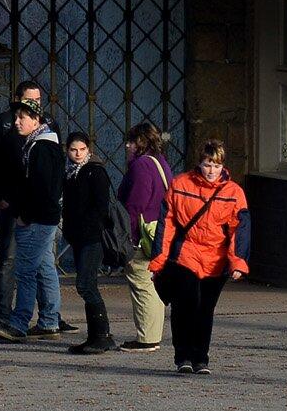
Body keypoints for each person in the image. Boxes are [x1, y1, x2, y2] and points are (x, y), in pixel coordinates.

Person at [152, 140, 249, 375]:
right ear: (200, 163)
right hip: (187, 253)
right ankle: (183, 356)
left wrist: (238, 261)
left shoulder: (234, 193)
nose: (212, 171)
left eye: (216, 165)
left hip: (216, 258)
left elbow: (240, 228)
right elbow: (167, 225)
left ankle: (200, 358)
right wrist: (159, 259)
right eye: (208, 165)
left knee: (205, 309)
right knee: (185, 304)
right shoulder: (181, 184)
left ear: (222, 166)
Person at [0, 99, 65, 343]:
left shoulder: (40, 148)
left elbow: (40, 187)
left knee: (25, 270)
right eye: (16, 117)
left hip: (38, 219)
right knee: (44, 267)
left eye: (22, 117)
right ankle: (49, 321)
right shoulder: (42, 145)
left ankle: (20, 322)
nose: (16, 122)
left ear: (36, 120)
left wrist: (26, 215)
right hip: (45, 216)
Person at [0, 80, 43, 329]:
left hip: (33, 203)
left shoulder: (42, 124)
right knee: (9, 257)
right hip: (10, 203)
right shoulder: (3, 125)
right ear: (16, 98)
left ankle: (49, 316)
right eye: (30, 100)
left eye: (38, 100)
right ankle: (2, 315)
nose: (35, 104)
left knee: (40, 260)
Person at [61, 133, 128, 355]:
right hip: (79, 236)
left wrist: (86, 227)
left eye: (81, 149)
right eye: (73, 150)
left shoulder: (94, 171)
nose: (78, 154)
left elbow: (100, 207)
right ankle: (96, 335)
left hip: (92, 237)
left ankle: (102, 335)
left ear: (88, 149)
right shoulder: (71, 172)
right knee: (87, 284)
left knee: (86, 284)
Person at [118, 123, 170, 353]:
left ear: (140, 142)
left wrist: (127, 235)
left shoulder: (140, 166)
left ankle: (147, 337)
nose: (127, 146)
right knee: (152, 283)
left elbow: (135, 205)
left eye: (131, 141)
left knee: (141, 283)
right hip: (159, 229)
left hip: (143, 232)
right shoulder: (160, 162)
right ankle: (152, 333)